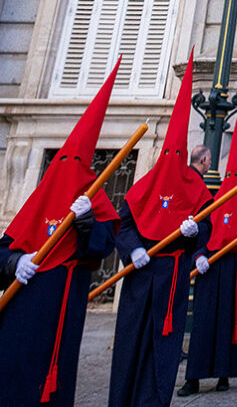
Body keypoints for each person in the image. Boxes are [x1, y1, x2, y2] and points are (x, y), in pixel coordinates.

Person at [0, 60, 120, 406]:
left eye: (75, 165)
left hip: (62, 304)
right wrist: (14, 262)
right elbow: (4, 248)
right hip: (23, 304)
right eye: (62, 163)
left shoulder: (92, 199)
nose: (67, 173)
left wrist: (85, 222)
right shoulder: (37, 202)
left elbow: (100, 249)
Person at [108, 54, 215, 407]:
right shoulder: (145, 184)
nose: (170, 156)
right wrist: (133, 248)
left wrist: (192, 233)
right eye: (166, 151)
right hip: (141, 274)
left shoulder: (196, 188)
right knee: (130, 340)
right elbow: (123, 222)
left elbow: (206, 227)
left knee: (163, 346)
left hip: (172, 274)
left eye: (176, 151)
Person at [180, 85, 237, 396]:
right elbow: (203, 227)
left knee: (228, 324)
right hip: (211, 268)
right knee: (202, 324)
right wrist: (200, 253)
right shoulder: (214, 198)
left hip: (235, 270)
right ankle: (193, 378)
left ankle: (224, 375)